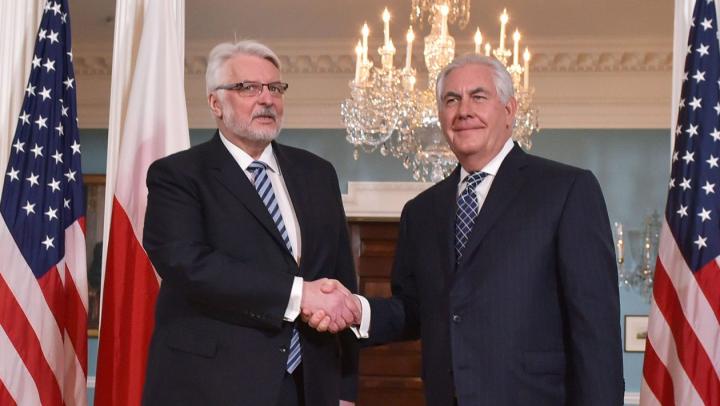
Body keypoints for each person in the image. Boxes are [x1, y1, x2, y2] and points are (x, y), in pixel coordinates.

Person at [310, 54, 624, 405]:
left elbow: (595, 329)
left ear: (509, 110)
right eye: (451, 100)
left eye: (478, 96)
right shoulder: (421, 212)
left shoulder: (566, 190)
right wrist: (358, 310)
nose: (463, 111)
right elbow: (413, 311)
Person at [141, 40, 360, 406]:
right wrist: (298, 295)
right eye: (248, 88)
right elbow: (189, 265)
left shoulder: (318, 174)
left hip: (311, 387)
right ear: (216, 103)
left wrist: (345, 390)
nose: (267, 99)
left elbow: (341, 283)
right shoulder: (178, 175)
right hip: (211, 387)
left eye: (275, 88)